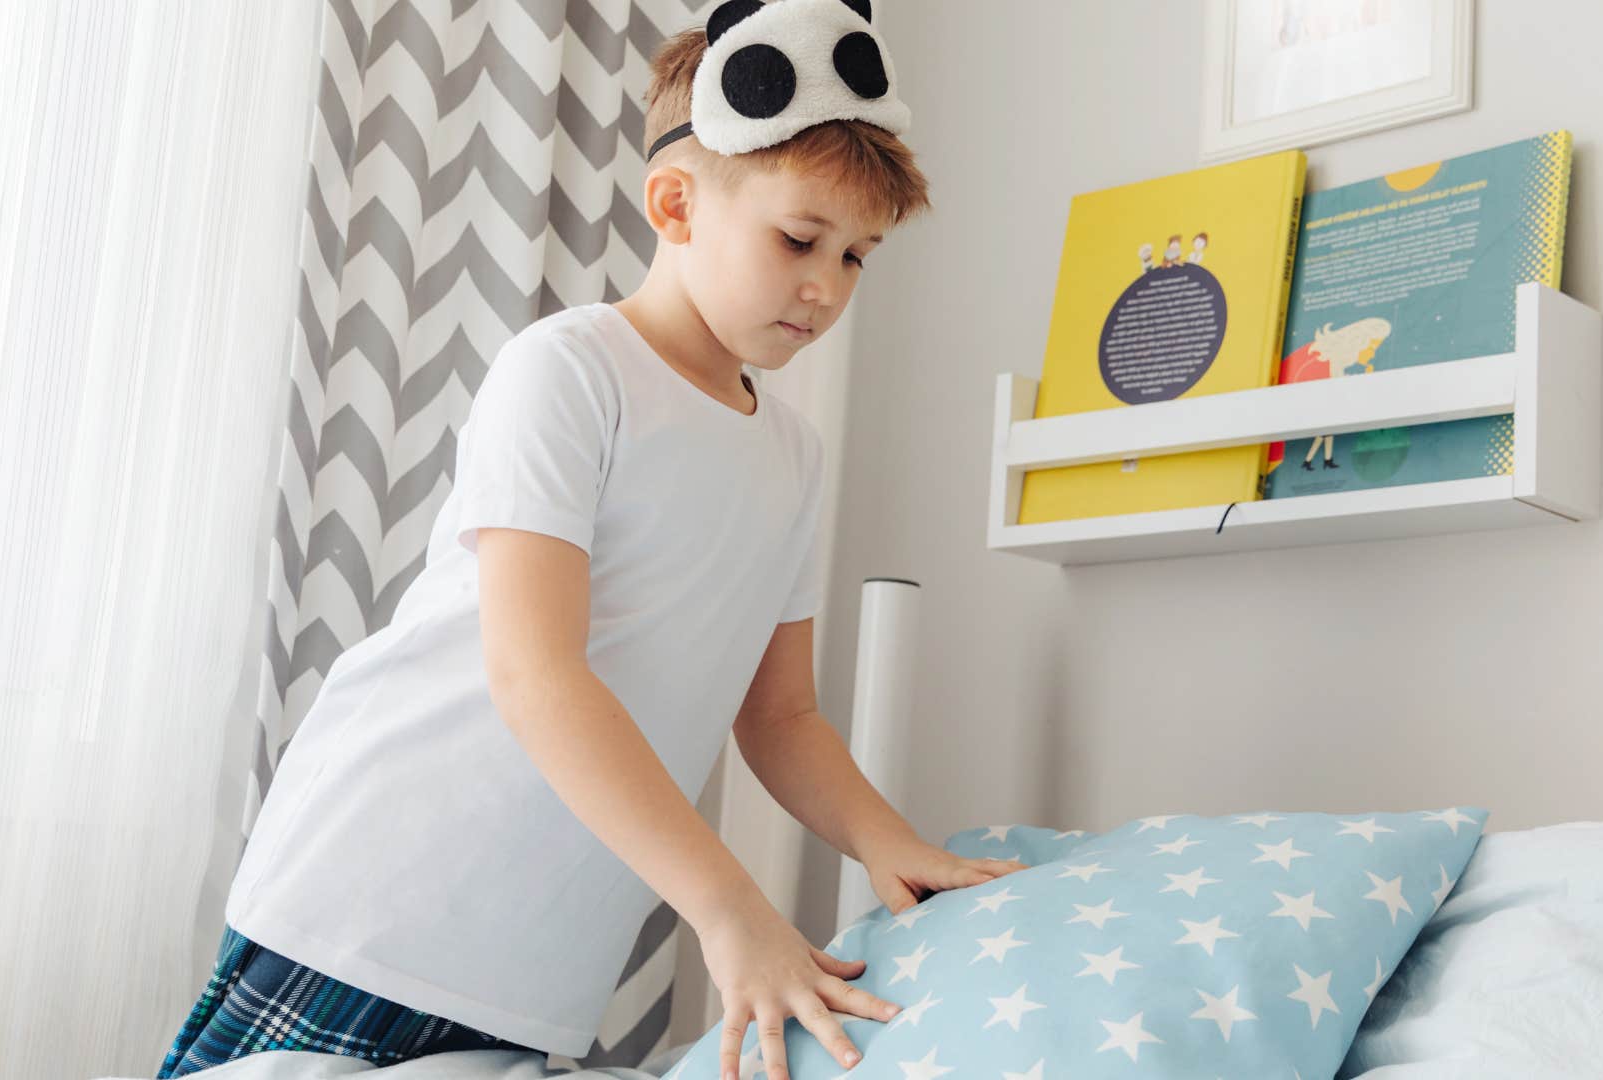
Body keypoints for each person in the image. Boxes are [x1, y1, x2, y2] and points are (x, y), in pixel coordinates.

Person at [156, 2, 1027, 1077]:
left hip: (537, 964)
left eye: (859, 258)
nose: (827, 287)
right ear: (675, 204)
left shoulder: (794, 457)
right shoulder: (571, 371)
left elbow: (783, 713)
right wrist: (729, 907)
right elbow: (535, 673)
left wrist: (893, 845)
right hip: (377, 900)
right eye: (801, 239)